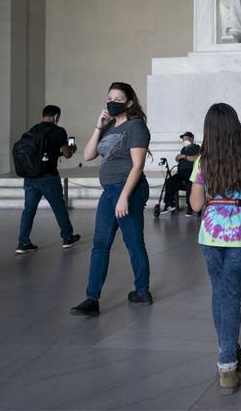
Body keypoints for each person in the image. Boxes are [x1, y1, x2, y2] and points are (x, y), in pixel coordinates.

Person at [189, 103, 241, 395]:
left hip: (210, 235)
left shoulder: (203, 161)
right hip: (240, 237)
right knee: (231, 295)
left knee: (220, 292)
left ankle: (231, 350)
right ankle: (227, 365)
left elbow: (196, 205)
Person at [70, 82, 153, 317]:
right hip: (109, 192)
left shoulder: (136, 127)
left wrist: (124, 197)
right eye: (109, 98)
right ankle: (91, 298)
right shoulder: (108, 128)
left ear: (129, 103)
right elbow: (87, 155)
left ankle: (142, 291)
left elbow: (138, 166)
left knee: (133, 242)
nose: (112, 102)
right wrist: (99, 126)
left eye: (118, 99)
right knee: (100, 244)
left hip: (128, 189)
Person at [15, 105, 81, 254]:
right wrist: (72, 149)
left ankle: (23, 242)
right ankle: (67, 237)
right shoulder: (58, 131)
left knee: (29, 210)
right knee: (59, 207)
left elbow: (39, 152)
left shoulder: (33, 130)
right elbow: (67, 154)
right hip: (48, 177)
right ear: (56, 117)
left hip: (30, 177)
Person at [163, 131, 200, 216]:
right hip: (181, 172)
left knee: (190, 183)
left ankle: (190, 207)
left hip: (191, 171)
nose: (184, 140)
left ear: (191, 138)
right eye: (183, 139)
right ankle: (169, 203)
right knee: (170, 181)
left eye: (186, 138)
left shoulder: (196, 147)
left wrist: (183, 156)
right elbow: (179, 158)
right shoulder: (183, 149)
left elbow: (197, 157)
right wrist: (178, 157)